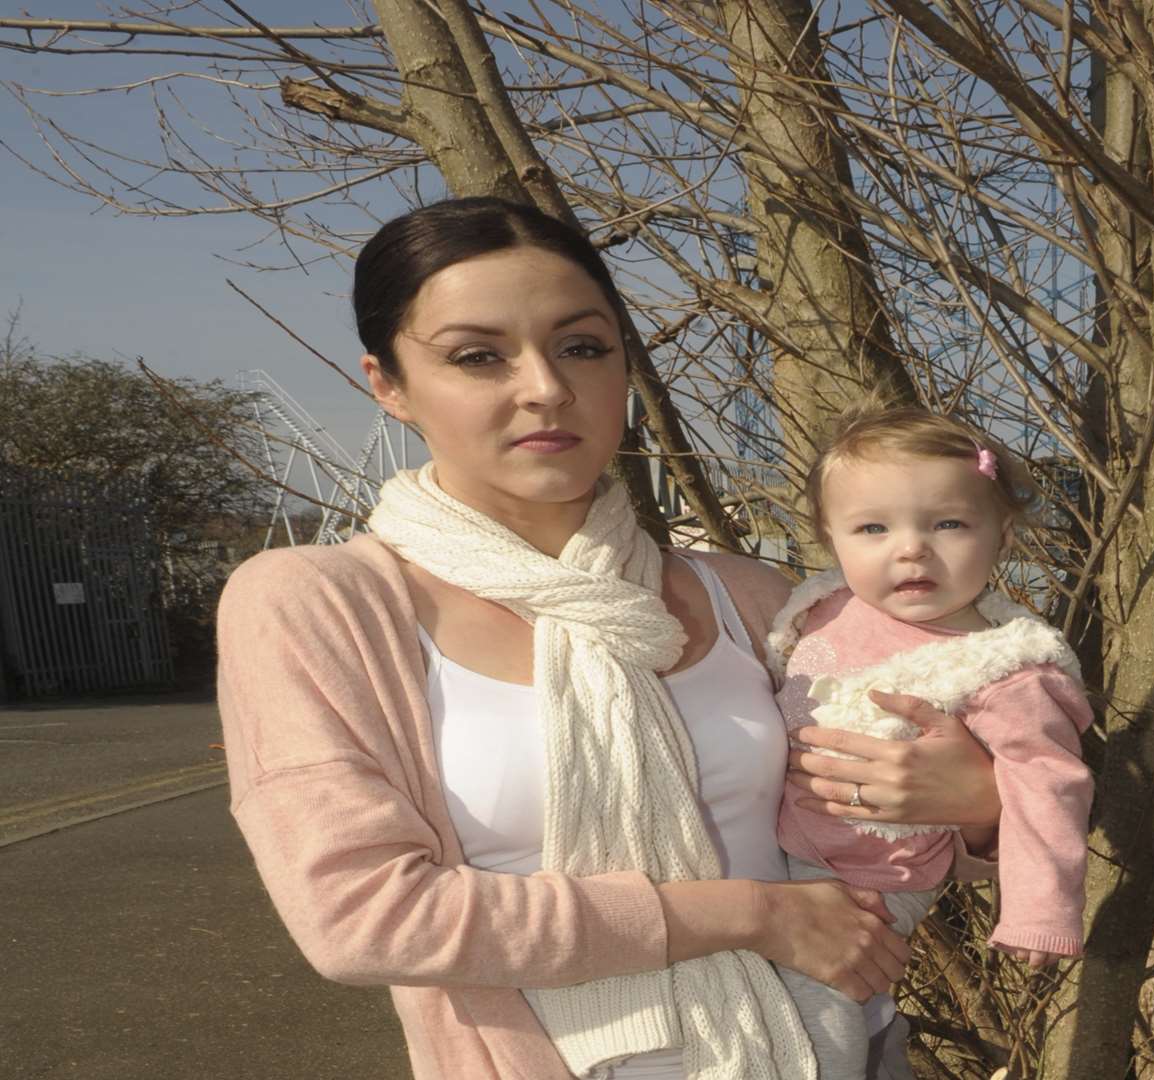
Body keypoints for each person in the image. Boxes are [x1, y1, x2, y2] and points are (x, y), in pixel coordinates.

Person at [215, 196, 1004, 1080]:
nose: (546, 387)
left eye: (582, 347)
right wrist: (748, 914)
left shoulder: (749, 596)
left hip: (840, 1049)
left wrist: (981, 805)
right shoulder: (317, 605)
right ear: (388, 384)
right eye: (478, 357)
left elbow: (873, 837)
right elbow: (364, 918)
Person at [766, 406, 1096, 1077]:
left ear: (1001, 531)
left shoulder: (1003, 666)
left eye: (947, 523)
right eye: (873, 528)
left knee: (817, 1027)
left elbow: (1047, 784)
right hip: (767, 856)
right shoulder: (824, 609)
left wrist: (1039, 910)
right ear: (831, 539)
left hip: (871, 881)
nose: (910, 548)